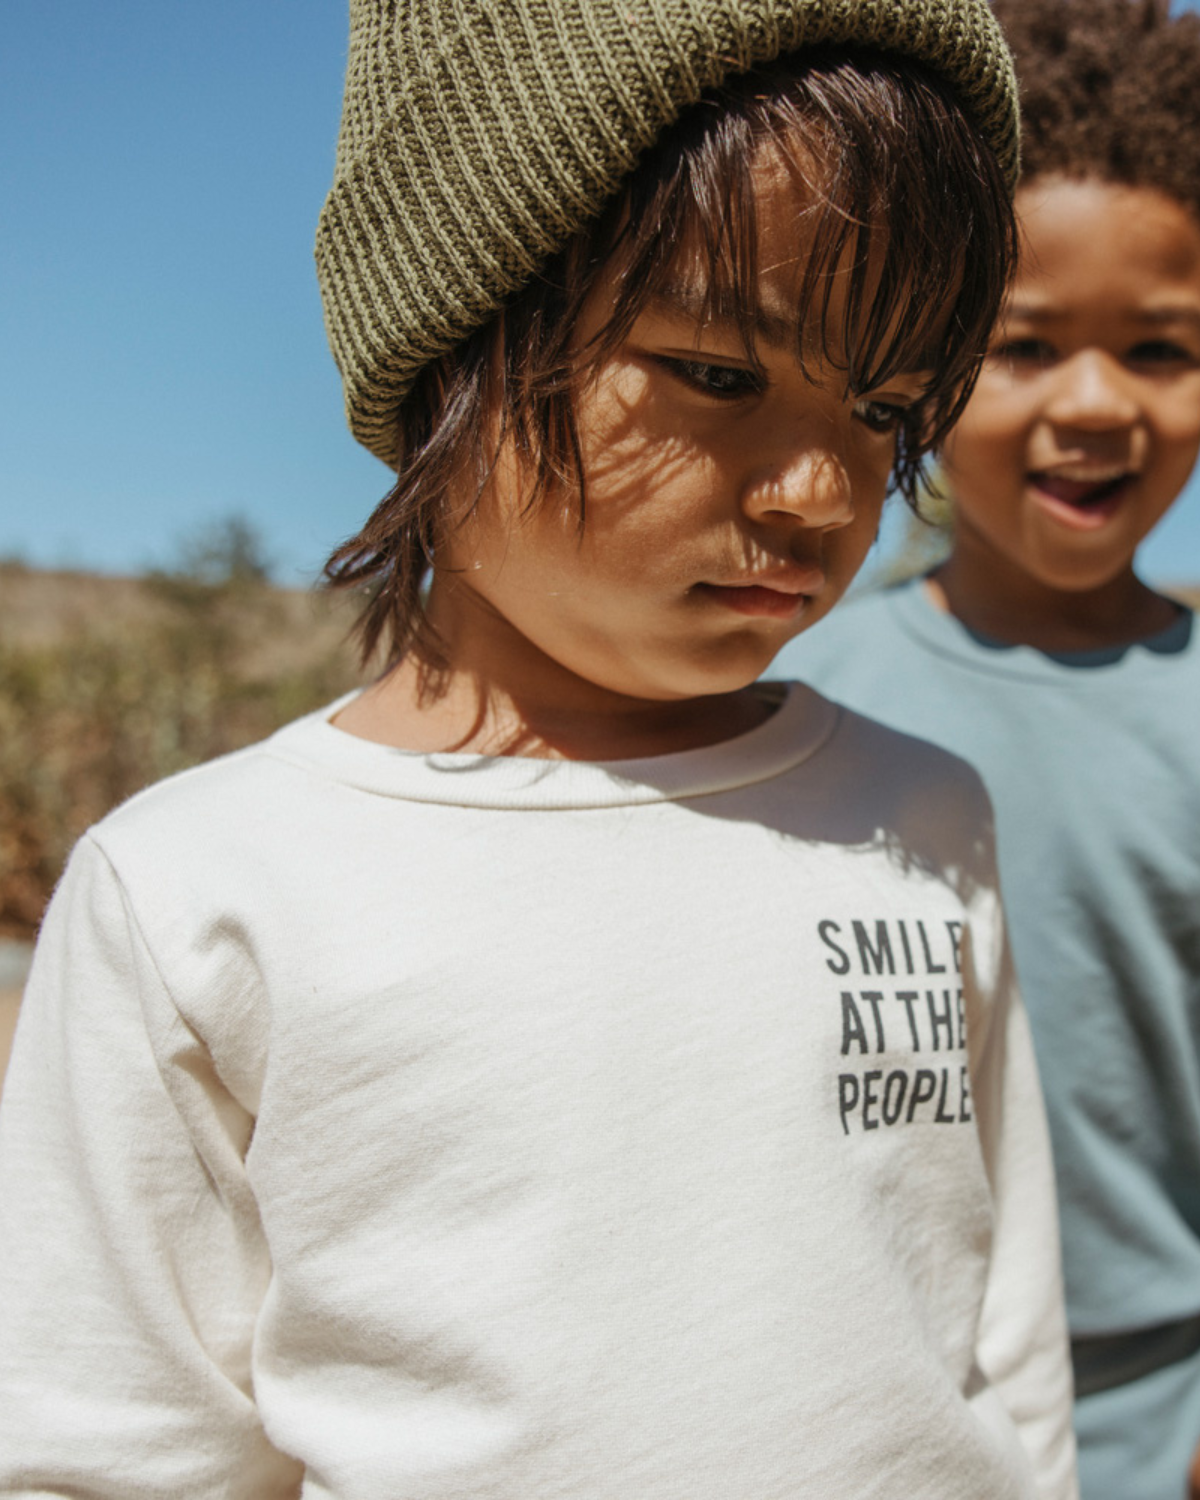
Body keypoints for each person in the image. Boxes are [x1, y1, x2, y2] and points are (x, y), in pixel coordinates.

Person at [0, 2, 1078, 1495]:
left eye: (887, 407)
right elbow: (112, 1450)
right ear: (456, 331)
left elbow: (1005, 1345)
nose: (823, 489)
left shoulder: (918, 816)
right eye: (718, 372)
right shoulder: (199, 891)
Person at [770, 1, 1200, 1495]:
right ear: (925, 361)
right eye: (1023, 346)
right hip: (878, 1412)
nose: (1095, 404)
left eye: (1159, 347)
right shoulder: (789, 696)